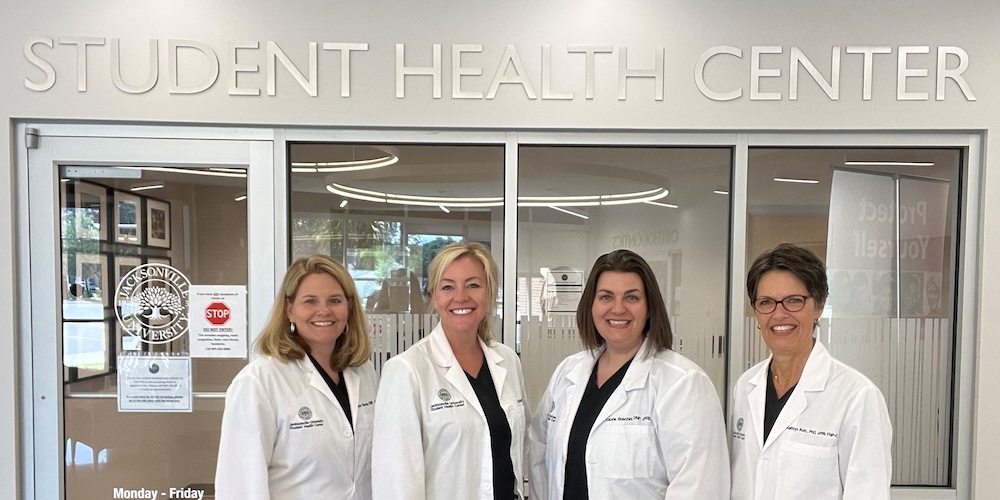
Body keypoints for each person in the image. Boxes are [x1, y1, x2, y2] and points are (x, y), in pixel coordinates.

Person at [528, 249, 729, 500]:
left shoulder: (683, 383)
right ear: (591, 305)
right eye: (606, 297)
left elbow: (699, 486)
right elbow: (539, 453)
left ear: (649, 308)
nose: (618, 308)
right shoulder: (568, 373)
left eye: (632, 298)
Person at [731, 243, 892, 500]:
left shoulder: (857, 397)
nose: (779, 314)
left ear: (819, 306)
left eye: (794, 301)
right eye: (766, 302)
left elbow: (868, 492)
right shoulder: (745, 386)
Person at [372, 241, 528, 500]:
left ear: (489, 294)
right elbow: (395, 483)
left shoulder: (507, 361)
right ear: (434, 296)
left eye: (473, 285)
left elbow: (518, 452)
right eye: (447, 287)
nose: (461, 297)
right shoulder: (407, 370)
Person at [215, 254, 378, 500]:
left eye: (335, 300)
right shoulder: (260, 381)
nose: (323, 311)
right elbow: (240, 484)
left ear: (350, 308)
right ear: (289, 310)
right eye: (310, 301)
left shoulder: (364, 371)